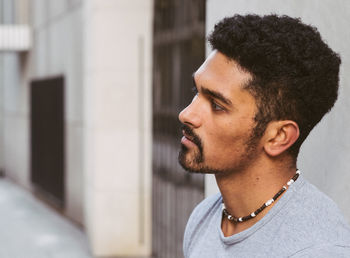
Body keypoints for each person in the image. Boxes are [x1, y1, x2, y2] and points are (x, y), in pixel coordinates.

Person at [178, 14, 350, 257]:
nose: (186, 114)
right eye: (197, 91)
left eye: (217, 105)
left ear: (278, 136)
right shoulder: (204, 217)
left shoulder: (317, 249)